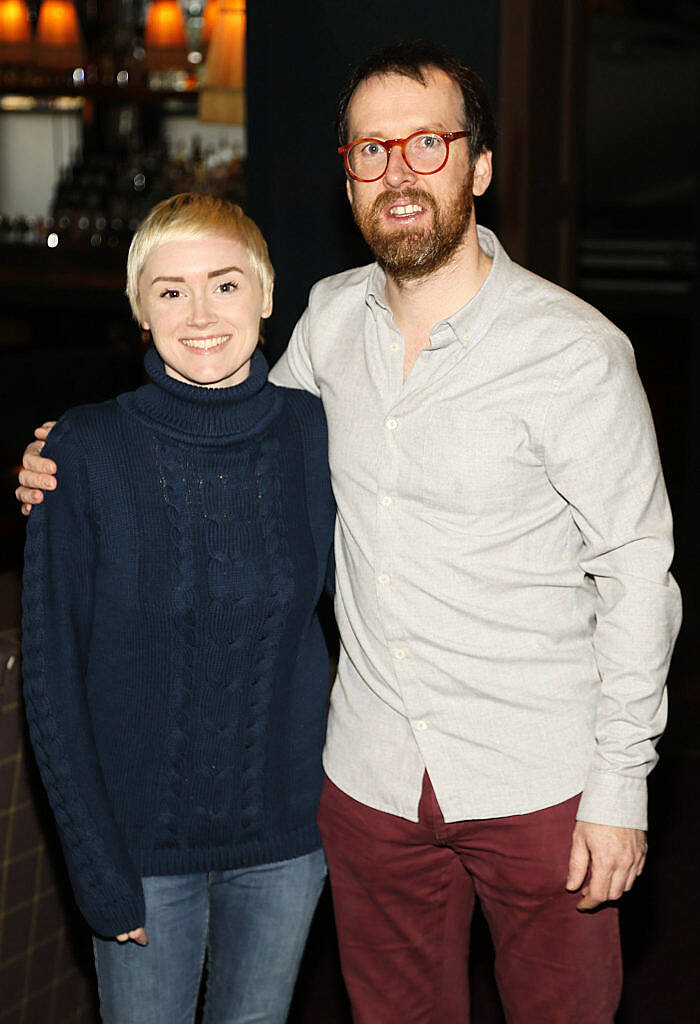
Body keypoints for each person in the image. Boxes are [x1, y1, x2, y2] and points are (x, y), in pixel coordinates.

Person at [18, 42, 681, 1024]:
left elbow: (636, 570)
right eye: (370, 151)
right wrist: (65, 455)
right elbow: (227, 435)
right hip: (365, 785)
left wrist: (619, 784)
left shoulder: (574, 352)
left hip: (537, 776)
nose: (397, 172)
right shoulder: (328, 321)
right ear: (347, 176)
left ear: (479, 167)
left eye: (426, 142)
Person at [20, 193, 334, 1024]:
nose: (200, 314)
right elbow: (49, 679)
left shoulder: (316, 435)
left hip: (287, 849)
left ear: (267, 298)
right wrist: (94, 866)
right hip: (139, 855)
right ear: (138, 311)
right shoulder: (80, 452)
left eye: (225, 285)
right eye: (170, 291)